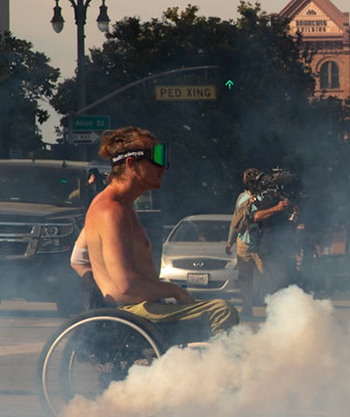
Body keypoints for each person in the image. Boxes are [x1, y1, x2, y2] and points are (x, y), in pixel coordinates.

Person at [84, 127, 238, 340]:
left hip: (142, 308)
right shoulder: (112, 210)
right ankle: (219, 371)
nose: (164, 167)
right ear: (131, 164)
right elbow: (125, 284)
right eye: (156, 158)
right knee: (221, 311)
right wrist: (174, 290)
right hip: (130, 311)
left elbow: (78, 254)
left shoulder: (120, 206)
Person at [227, 168, 295, 314]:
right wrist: (230, 240)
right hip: (243, 241)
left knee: (267, 275)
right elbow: (235, 218)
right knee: (245, 276)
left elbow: (261, 217)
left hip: (259, 242)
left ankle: (275, 308)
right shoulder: (242, 197)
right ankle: (247, 307)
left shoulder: (268, 197)